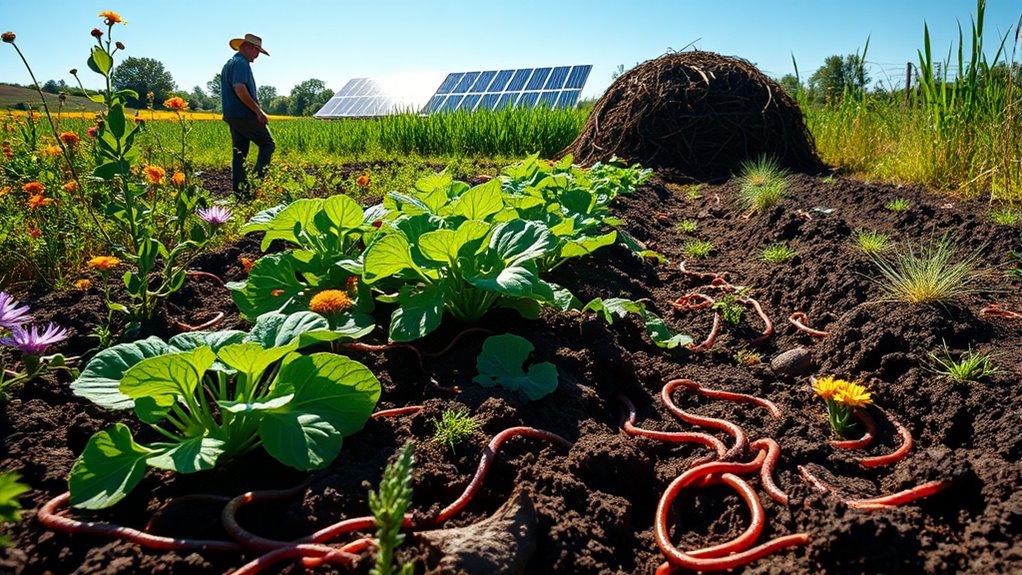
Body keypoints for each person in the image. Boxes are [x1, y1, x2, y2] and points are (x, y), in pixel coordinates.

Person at [221, 33, 274, 195]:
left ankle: (240, 191)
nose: (257, 55)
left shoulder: (229, 64)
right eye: (257, 50)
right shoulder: (241, 63)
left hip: (232, 114)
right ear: (249, 47)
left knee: (239, 152)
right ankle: (256, 183)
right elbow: (240, 88)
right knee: (268, 144)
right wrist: (258, 111)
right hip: (244, 114)